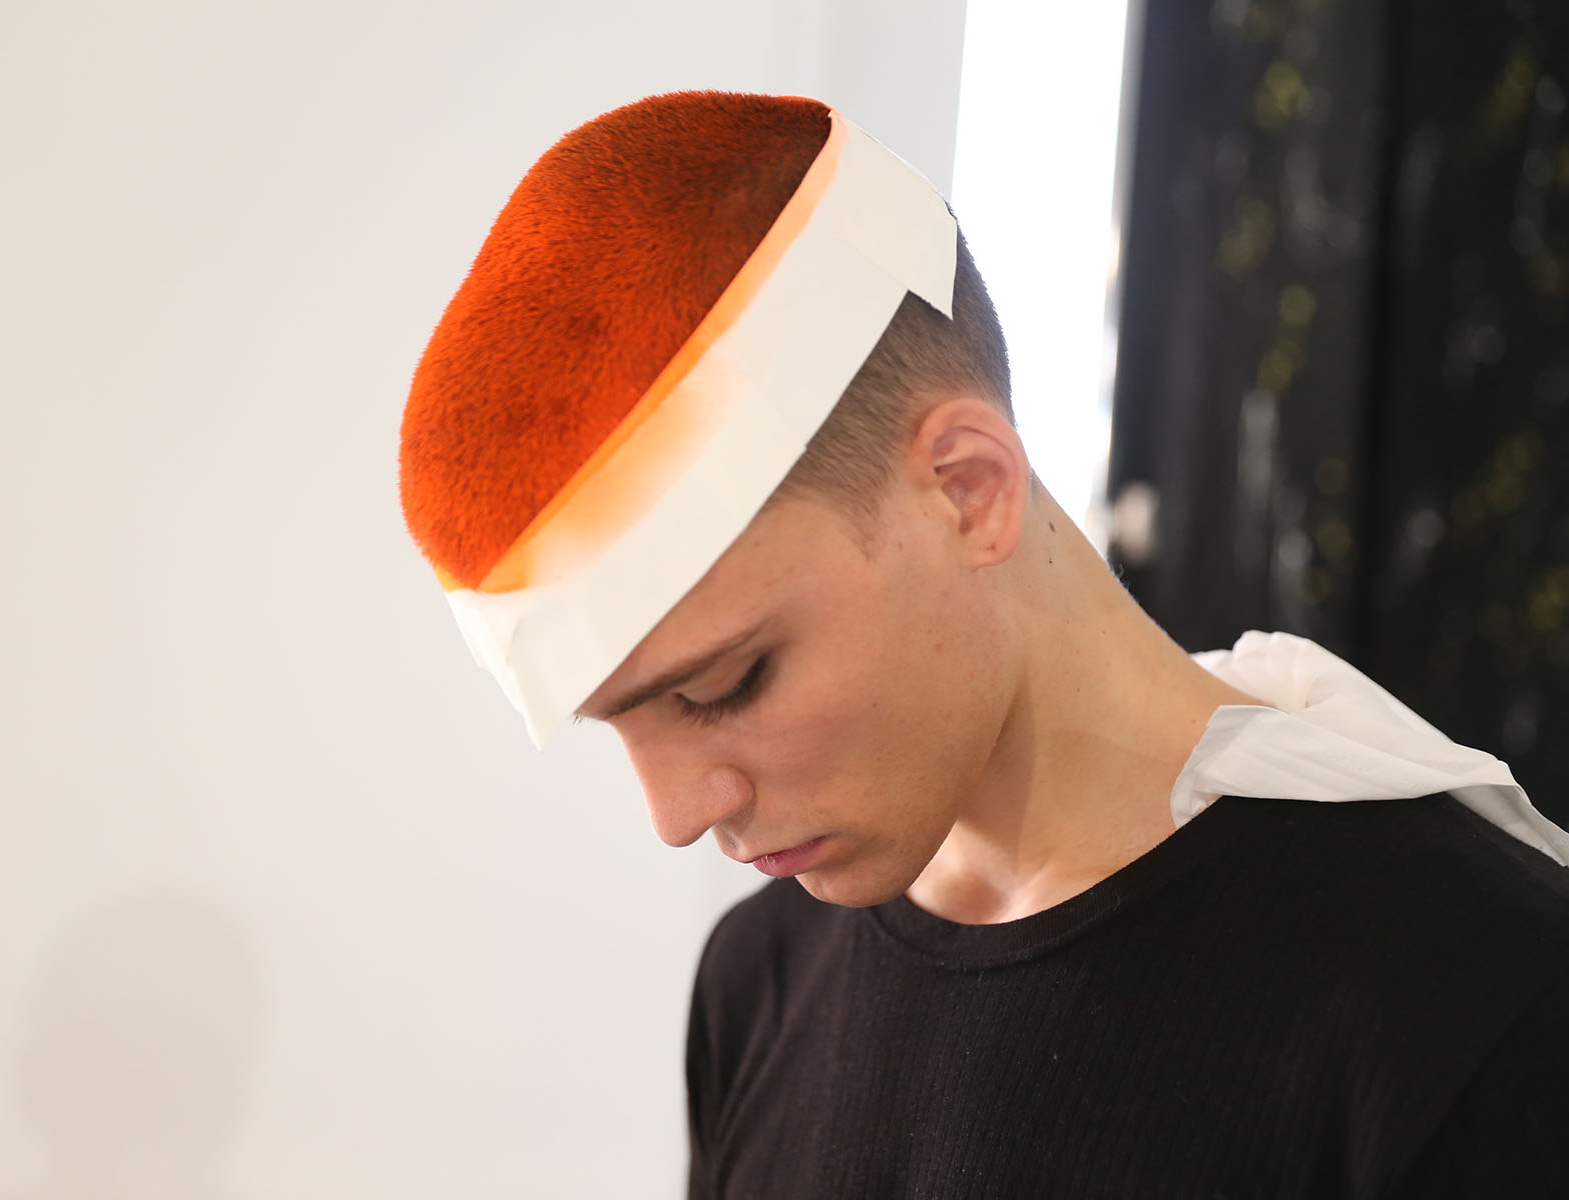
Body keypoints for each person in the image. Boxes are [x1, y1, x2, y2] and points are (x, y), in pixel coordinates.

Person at [399, 91, 1569, 1197]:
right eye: (617, 721)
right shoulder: (759, 984)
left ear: (967, 492)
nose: (674, 815)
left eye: (724, 684)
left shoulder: (1467, 997)